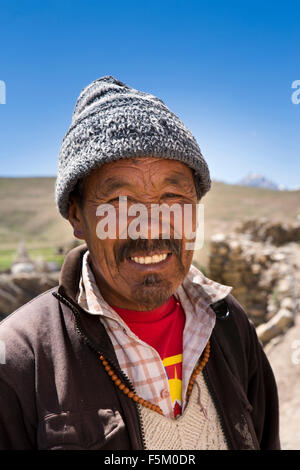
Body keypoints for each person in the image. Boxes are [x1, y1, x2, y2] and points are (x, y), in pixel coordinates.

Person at [0, 76, 280, 450]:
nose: (150, 229)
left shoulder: (230, 324)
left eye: (172, 196)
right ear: (77, 217)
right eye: (119, 202)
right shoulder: (19, 359)